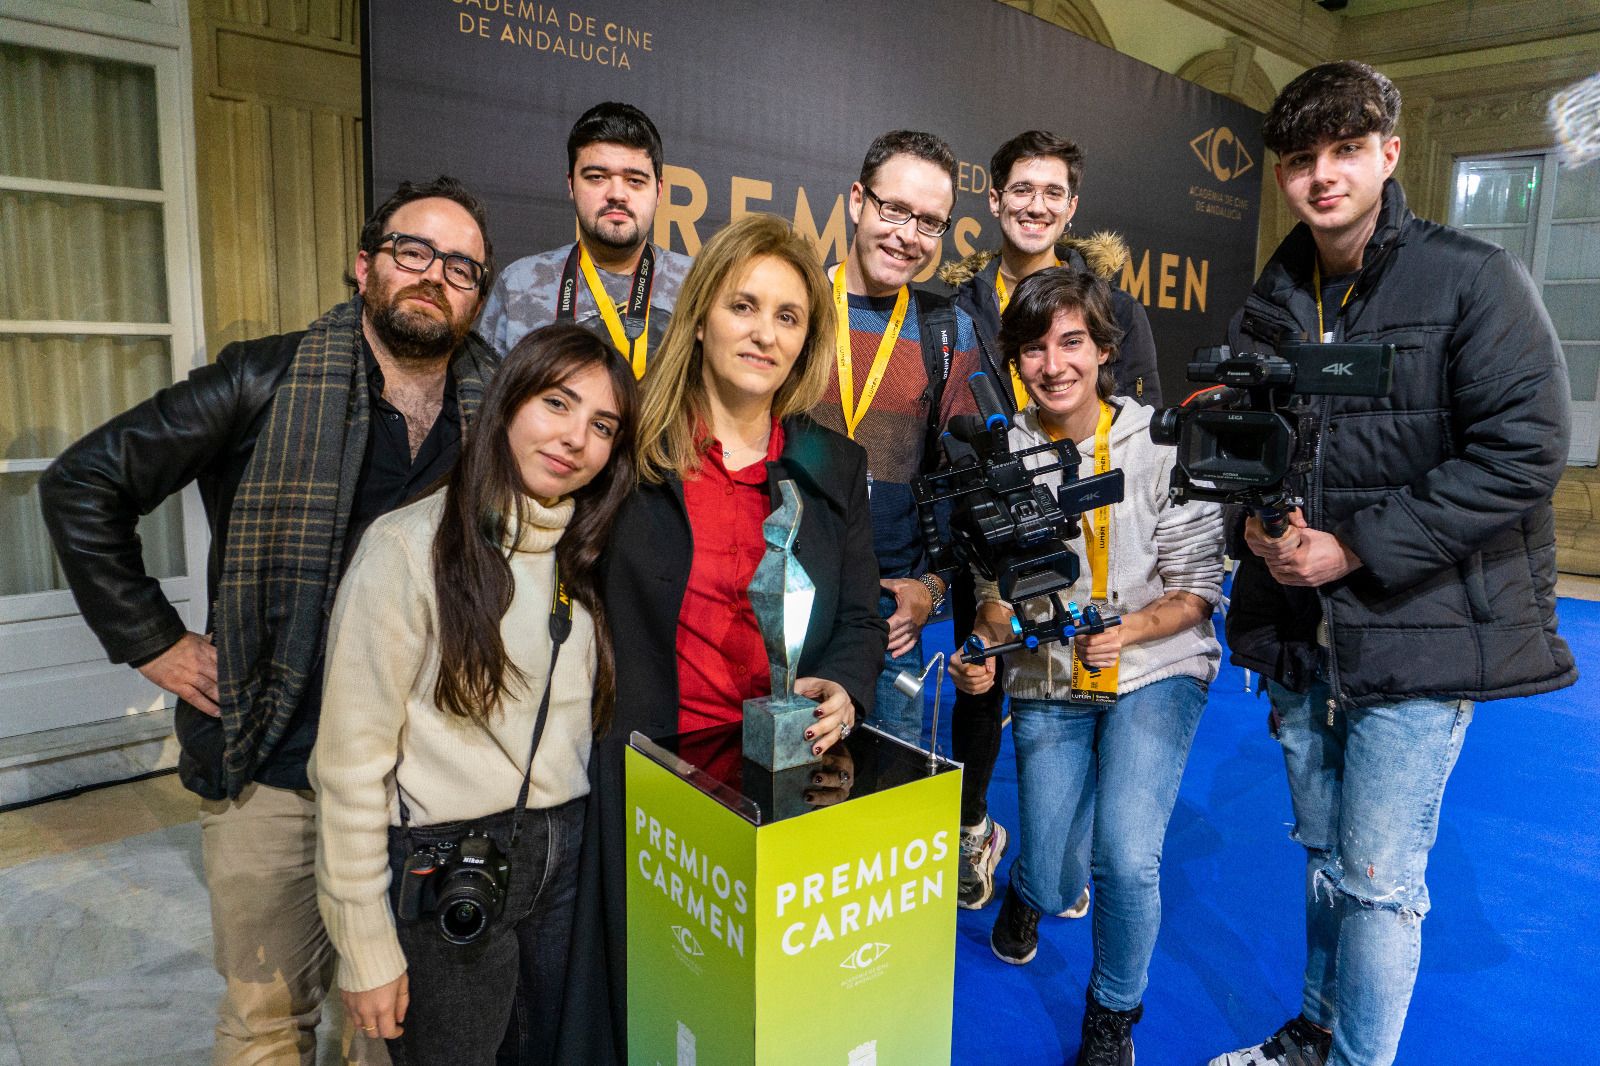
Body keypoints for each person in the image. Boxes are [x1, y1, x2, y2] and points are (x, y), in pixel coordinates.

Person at [38, 175, 500, 1064]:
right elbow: (84, 482)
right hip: (275, 767)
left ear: (479, 296)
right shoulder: (263, 378)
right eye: (413, 251)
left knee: (396, 1029)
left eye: (461, 267)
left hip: (426, 782)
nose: (433, 276)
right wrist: (155, 642)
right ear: (363, 264)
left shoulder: (499, 410)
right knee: (267, 1024)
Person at [1209, 61, 1575, 1066]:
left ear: (1387, 153)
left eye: (1343, 151)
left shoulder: (1472, 279)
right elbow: (1244, 441)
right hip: (1296, 633)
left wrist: (1355, 544)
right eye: (1299, 159)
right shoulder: (1272, 299)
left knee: (1375, 877)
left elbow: (1526, 447)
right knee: (1324, 860)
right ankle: (1314, 1035)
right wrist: (1255, 524)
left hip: (1417, 627)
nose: (1322, 176)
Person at [558, 212, 888, 1065]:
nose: (764, 333)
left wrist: (848, 688)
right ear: (701, 314)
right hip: (647, 775)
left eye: (789, 316)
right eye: (746, 306)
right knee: (653, 1001)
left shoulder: (833, 464)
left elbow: (859, 616)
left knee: (759, 1020)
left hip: (780, 781)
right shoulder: (627, 449)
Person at [310, 324, 636, 1066]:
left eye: (602, 426)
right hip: (451, 855)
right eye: (558, 403)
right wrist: (364, 944)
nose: (575, 438)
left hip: (569, 853)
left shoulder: (582, 557)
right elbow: (350, 768)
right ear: (508, 402)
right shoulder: (405, 548)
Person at [949, 268, 1222, 1066]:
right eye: (1033, 349)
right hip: (1050, 671)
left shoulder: (1160, 442)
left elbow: (1198, 590)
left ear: (1105, 351)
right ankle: (1033, 890)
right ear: (1013, 362)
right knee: (1059, 867)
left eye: (1072, 342)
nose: (1054, 364)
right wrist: (983, 646)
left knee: (1126, 856)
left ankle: (1112, 1016)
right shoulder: (1002, 453)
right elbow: (997, 592)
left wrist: (1128, 630)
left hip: (1158, 665)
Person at [938, 129, 1164, 912]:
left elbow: (1141, 423)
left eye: (1053, 193)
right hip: (988, 525)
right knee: (980, 679)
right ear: (993, 198)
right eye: (1020, 191)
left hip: (1080, 534)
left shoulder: (1115, 308)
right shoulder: (956, 306)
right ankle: (973, 827)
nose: (1036, 206)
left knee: (1071, 693)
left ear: (1073, 207)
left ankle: (1056, 854)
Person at [808, 129, 985, 748]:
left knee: (883, 812)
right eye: (895, 210)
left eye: (930, 222)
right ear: (858, 199)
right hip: (776, 599)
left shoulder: (946, 331)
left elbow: (966, 485)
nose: (908, 235)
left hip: (885, 619)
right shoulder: (792, 303)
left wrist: (933, 588)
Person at [477, 101, 693, 377]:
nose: (617, 194)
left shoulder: (697, 284)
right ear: (571, 184)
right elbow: (488, 405)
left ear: (659, 190)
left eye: (635, 181)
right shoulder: (520, 284)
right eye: (596, 177)